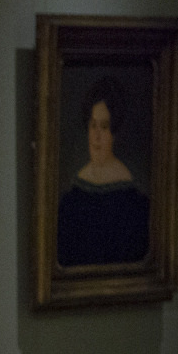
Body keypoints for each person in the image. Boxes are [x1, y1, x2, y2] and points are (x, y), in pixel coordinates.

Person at [57, 76, 150, 266]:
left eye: (104, 127)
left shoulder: (132, 199)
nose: (96, 136)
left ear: (114, 133)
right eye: (93, 126)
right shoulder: (72, 197)